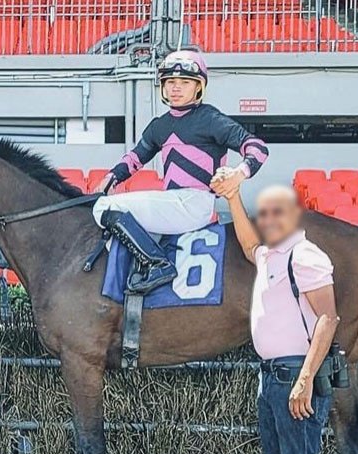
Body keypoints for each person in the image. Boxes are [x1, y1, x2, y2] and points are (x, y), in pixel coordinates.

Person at [214, 176, 338, 454]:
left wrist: (304, 379)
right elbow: (249, 245)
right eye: (264, 213)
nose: (268, 220)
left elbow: (327, 318)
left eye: (276, 212)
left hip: (293, 377)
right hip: (272, 378)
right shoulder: (272, 255)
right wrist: (233, 198)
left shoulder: (306, 256)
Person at [91, 49, 269, 293]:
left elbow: (257, 148)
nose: (176, 88)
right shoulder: (159, 125)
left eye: (184, 82)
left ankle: (156, 264)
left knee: (104, 208)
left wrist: (239, 173)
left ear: (198, 87)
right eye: (170, 82)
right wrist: (110, 178)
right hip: (174, 204)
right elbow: (134, 158)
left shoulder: (210, 118)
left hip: (194, 203)